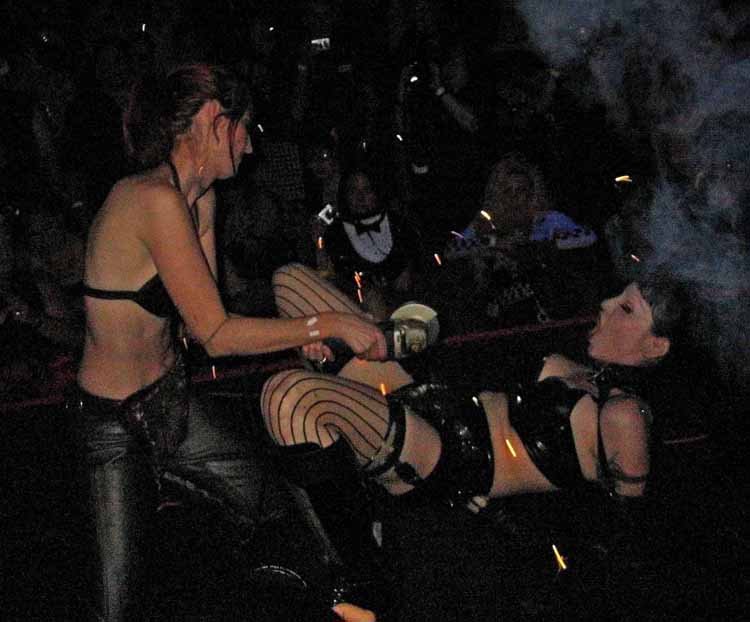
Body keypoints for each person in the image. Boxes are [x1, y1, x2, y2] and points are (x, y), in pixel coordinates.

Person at [72, 63, 387, 622]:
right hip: (113, 425)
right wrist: (328, 324)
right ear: (214, 120)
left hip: (171, 403)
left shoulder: (200, 199)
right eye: (245, 129)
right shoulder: (149, 198)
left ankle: (338, 602)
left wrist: (293, 338)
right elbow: (216, 335)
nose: (250, 146)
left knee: (270, 505)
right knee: (116, 605)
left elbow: (200, 323)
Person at [262, 262, 682, 518]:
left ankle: (356, 568)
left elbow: (625, 528)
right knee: (290, 282)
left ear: (655, 346)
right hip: (428, 400)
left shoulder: (625, 414)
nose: (606, 304)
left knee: (288, 393)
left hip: (443, 458)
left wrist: (507, 516)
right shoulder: (583, 371)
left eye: (626, 308)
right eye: (617, 296)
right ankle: (337, 437)